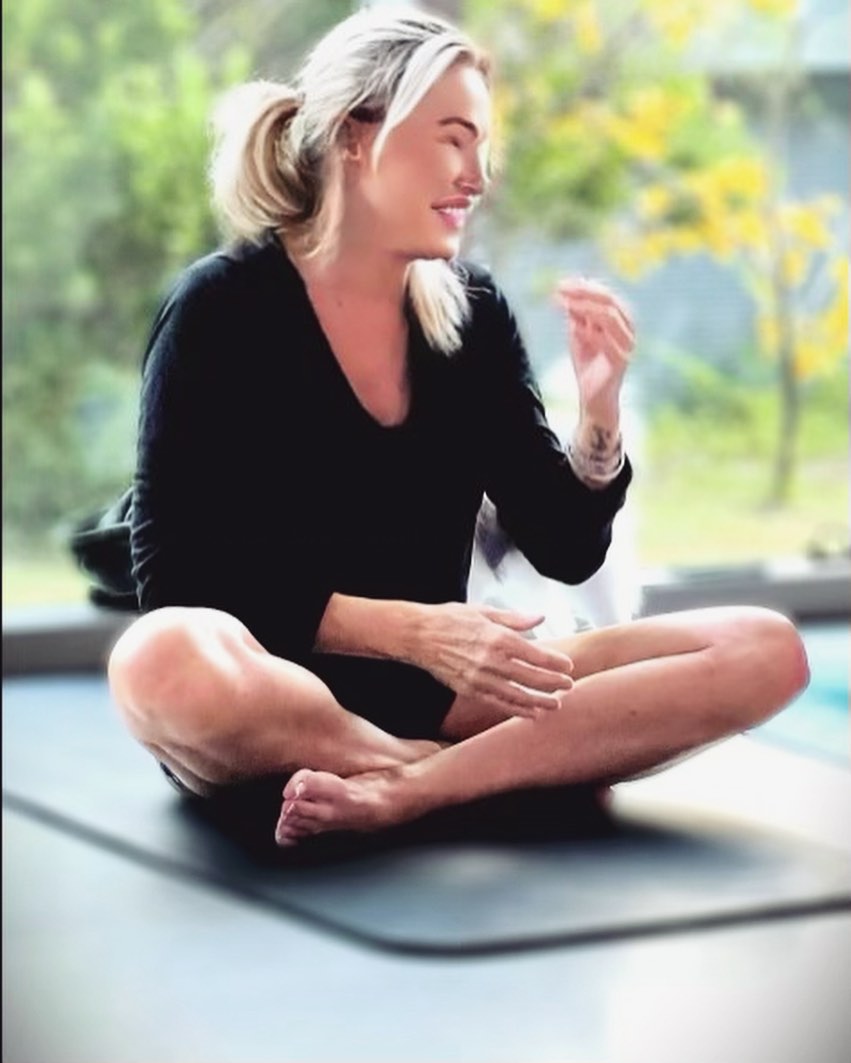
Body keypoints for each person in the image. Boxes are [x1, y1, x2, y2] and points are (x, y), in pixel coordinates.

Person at [107, 5, 809, 847]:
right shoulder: (221, 310)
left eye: (481, 146)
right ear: (356, 134)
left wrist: (598, 420)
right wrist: (416, 631)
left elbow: (563, 545)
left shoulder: (469, 314)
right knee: (157, 657)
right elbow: (177, 577)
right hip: (264, 697)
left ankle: (414, 788)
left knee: (765, 648)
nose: (475, 175)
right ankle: (432, 768)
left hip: (450, 695)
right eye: (452, 139)